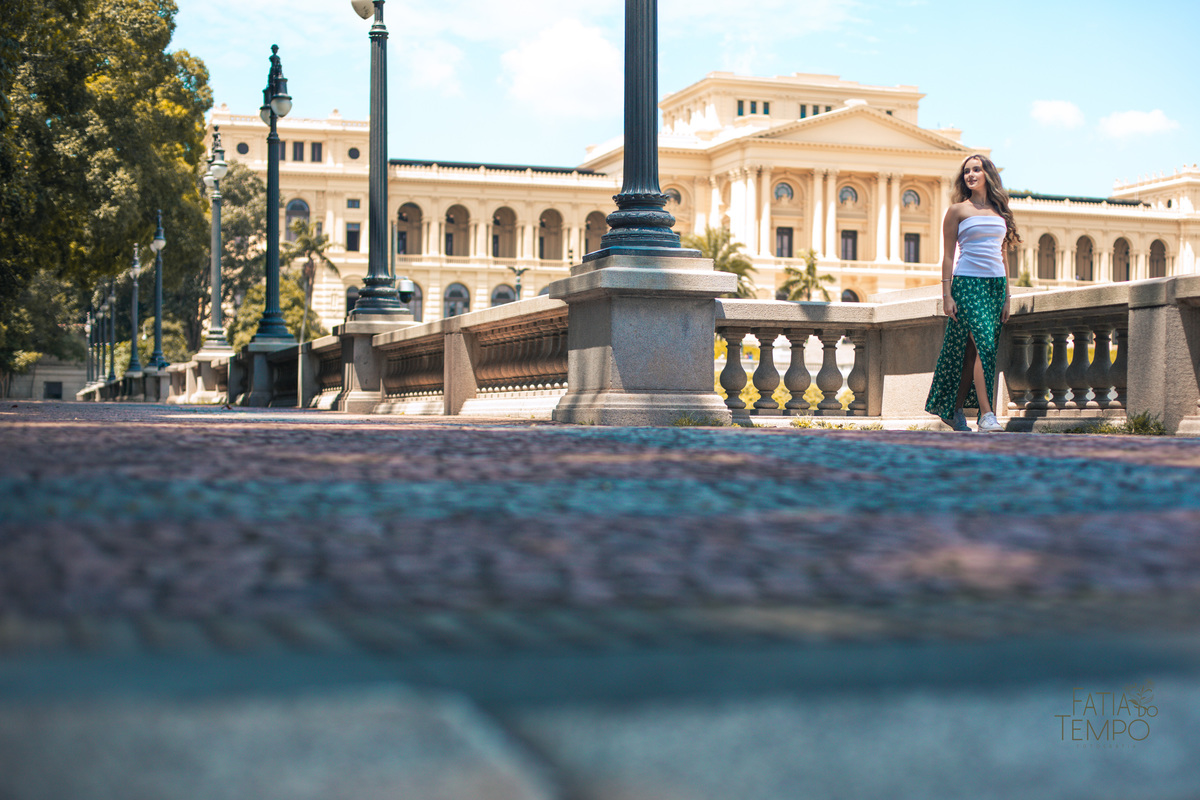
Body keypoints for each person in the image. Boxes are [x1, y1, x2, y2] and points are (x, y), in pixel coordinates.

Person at [925, 154, 1021, 432]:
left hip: (994, 286)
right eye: (967, 171)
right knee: (986, 348)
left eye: (976, 170)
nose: (970, 175)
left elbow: (1003, 256)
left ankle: (954, 410)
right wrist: (947, 294)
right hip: (967, 283)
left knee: (972, 352)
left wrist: (1006, 297)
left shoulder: (1000, 212)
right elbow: (947, 256)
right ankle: (986, 414)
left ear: (987, 174)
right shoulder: (957, 211)